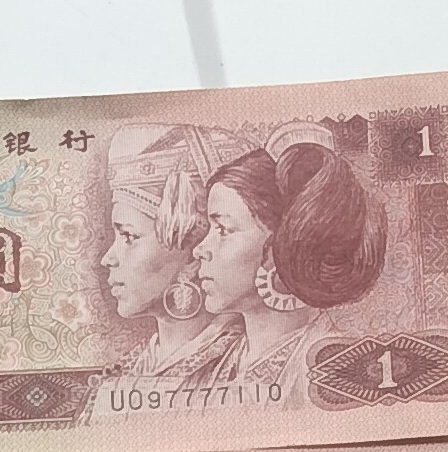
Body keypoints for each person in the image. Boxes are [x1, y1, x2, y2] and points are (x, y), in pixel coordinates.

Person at [194, 134, 387, 388]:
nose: (199, 250)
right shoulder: (208, 368)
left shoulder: (336, 371)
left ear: (282, 246)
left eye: (223, 229)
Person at [99, 124, 253, 385]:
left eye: (129, 236)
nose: (108, 259)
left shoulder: (241, 367)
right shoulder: (131, 369)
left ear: (192, 254)